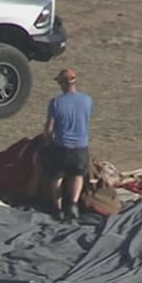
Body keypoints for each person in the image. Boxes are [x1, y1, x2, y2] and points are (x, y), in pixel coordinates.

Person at [42, 68, 93, 221]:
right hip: (81, 147)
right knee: (78, 176)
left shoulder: (56, 102)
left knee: (56, 178)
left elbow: (49, 127)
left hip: (62, 147)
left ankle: (57, 208)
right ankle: (73, 205)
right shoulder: (87, 100)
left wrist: (48, 141)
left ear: (63, 84)